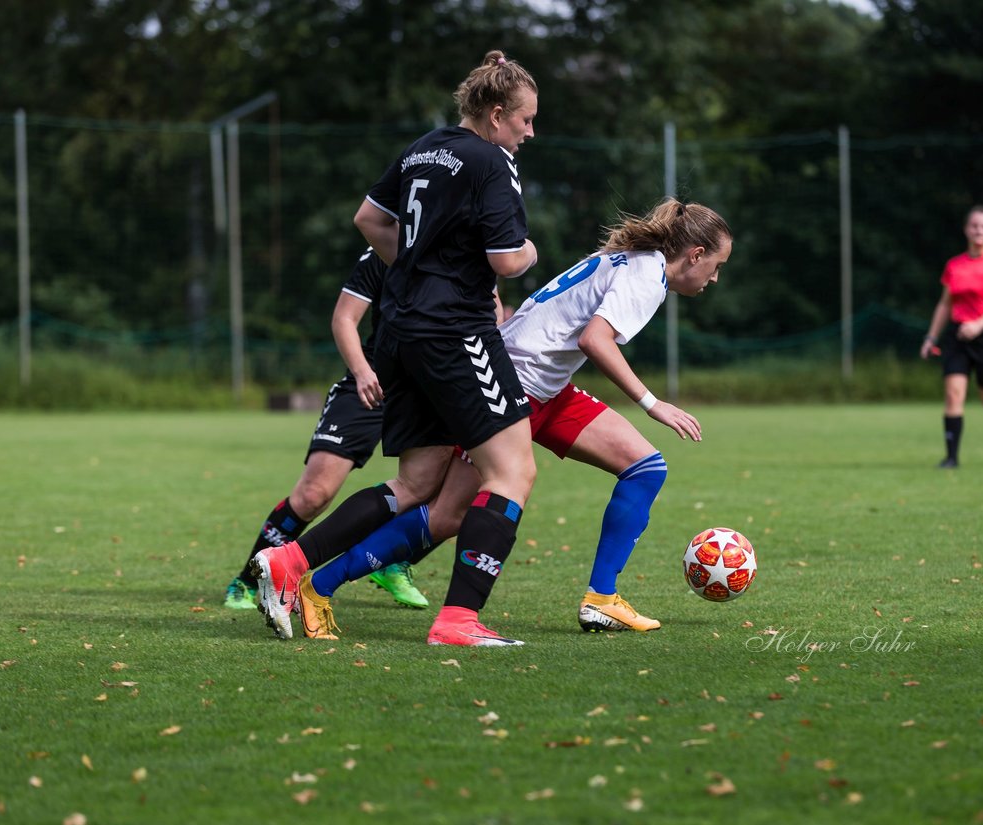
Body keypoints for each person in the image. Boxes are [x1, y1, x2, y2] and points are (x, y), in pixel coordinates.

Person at [294, 198, 731, 639]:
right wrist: (654, 403)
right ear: (694, 254)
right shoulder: (647, 274)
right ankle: (318, 584)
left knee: (645, 467)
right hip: (512, 383)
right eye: (715, 266)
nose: (714, 277)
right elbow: (595, 340)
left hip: (547, 388)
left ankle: (602, 599)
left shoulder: (635, 260)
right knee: (446, 515)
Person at [249, 49, 541, 647]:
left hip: (400, 331)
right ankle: (459, 621)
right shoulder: (492, 161)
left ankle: (287, 563)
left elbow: (368, 219)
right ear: (494, 114)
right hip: (456, 331)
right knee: (513, 471)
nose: (528, 133)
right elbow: (507, 260)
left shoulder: (422, 148)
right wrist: (529, 254)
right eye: (524, 120)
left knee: (418, 481)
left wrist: (414, 272)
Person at [221, 248, 430, 612]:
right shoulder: (383, 251)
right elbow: (344, 318)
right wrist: (364, 371)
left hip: (434, 388)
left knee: (449, 486)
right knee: (313, 494)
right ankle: (248, 580)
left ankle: (395, 561)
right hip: (373, 383)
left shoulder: (465, 247)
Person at [919, 205, 983, 468]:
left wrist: (978, 325)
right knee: (954, 394)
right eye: (974, 225)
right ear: (966, 230)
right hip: (958, 336)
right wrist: (931, 337)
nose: (979, 230)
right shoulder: (954, 265)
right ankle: (951, 457)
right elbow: (945, 304)